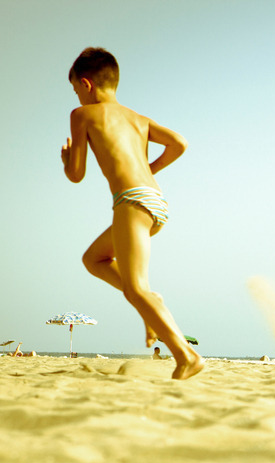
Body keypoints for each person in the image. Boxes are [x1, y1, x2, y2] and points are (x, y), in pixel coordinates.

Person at [62, 47, 203, 380]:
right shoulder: (138, 118)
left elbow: (77, 174)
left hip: (131, 202)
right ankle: (151, 300)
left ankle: (186, 355)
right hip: (155, 201)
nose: (76, 97)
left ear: (86, 84)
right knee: (94, 259)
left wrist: (67, 160)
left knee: (135, 289)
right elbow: (179, 143)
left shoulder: (82, 115)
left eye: (75, 90)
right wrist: (148, 170)